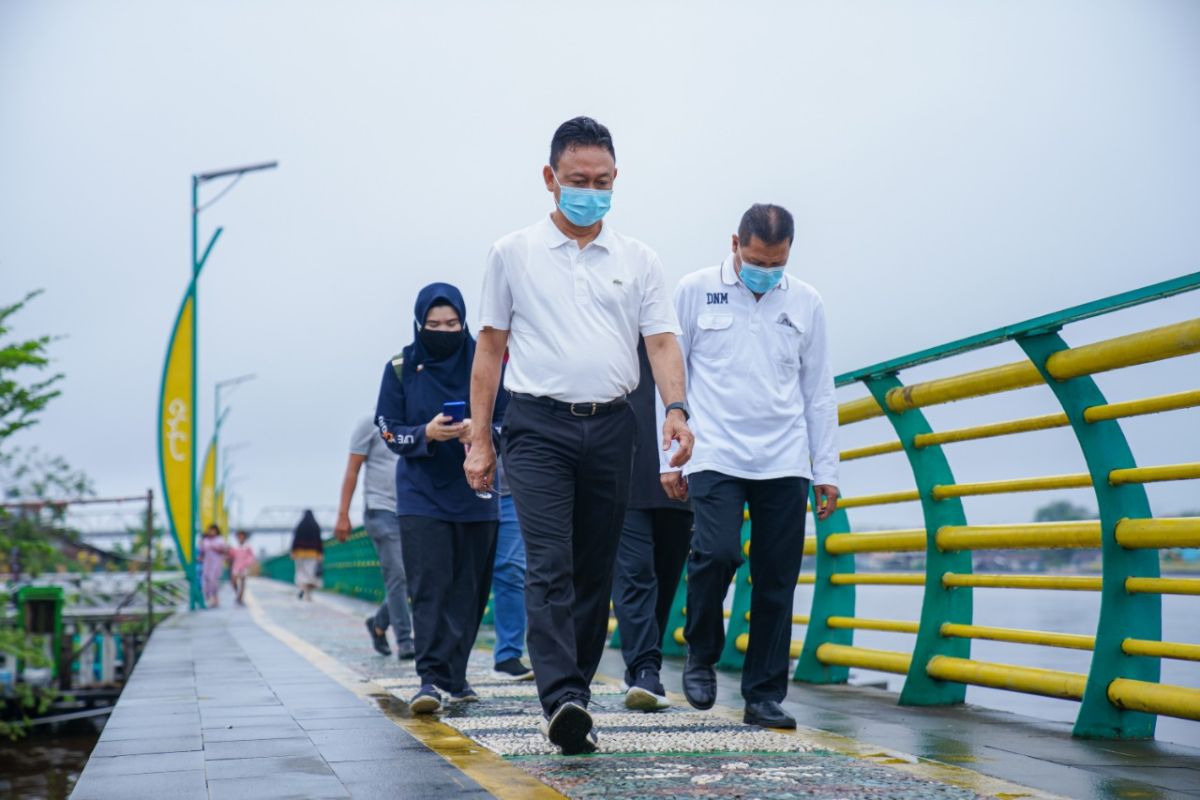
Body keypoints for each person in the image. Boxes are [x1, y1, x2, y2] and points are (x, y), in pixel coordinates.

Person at [465, 116, 693, 755]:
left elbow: (662, 341)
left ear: (616, 180)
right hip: (536, 425)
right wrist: (480, 440)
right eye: (577, 180)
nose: (589, 191)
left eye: (601, 181)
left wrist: (676, 408)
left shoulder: (639, 258)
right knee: (550, 561)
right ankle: (561, 695)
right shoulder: (512, 252)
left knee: (595, 569)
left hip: (614, 425)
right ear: (550, 180)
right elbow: (490, 348)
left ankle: (576, 696)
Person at [664, 203, 839, 730]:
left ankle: (763, 695)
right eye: (757, 259)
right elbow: (670, 378)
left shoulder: (807, 302)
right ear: (734, 243)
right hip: (713, 449)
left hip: (784, 457)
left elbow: (819, 392)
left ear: (790, 254)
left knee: (776, 579)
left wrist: (826, 470)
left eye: (777, 262)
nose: (766, 271)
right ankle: (701, 652)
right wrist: (665, 460)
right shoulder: (695, 289)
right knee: (715, 553)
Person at [376, 282, 505, 715]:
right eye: (434, 324)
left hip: (478, 492)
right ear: (419, 324)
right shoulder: (400, 366)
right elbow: (388, 427)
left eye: (452, 324)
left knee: (470, 591)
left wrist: (481, 431)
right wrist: (425, 433)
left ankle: (456, 673)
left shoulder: (484, 362)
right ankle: (430, 678)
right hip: (420, 495)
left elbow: (511, 418)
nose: (443, 330)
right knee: (429, 586)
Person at [612, 338, 694, 711]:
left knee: (663, 581)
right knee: (634, 577)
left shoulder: (681, 348)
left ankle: (644, 664)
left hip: (679, 482)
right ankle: (646, 671)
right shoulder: (611, 343)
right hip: (624, 480)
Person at [335, 416, 416, 661]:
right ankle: (404, 640)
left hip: (413, 510)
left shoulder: (415, 421)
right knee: (398, 575)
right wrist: (343, 515)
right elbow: (352, 470)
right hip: (380, 510)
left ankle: (378, 623)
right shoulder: (369, 424)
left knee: (416, 576)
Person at [490, 456, 534, 681]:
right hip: (461, 493)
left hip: (511, 491)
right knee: (457, 574)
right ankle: (444, 660)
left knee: (511, 570)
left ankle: (508, 655)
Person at [291, 510, 324, 601]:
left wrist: (293, 551)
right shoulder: (316, 526)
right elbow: (319, 541)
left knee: (301, 573)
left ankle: (303, 589)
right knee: (310, 574)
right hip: (313, 554)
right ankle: (308, 593)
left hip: (299, 553)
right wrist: (320, 553)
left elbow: (295, 539)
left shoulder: (300, 526)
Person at [198, 524, 228, 608]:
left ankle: (215, 599)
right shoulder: (205, 540)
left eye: (213, 530)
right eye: (210, 530)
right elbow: (202, 551)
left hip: (216, 563)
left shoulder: (220, 540)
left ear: (216, 531)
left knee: (213, 580)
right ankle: (208, 598)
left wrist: (214, 547)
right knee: (206, 579)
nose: (211, 532)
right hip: (207, 563)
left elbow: (223, 550)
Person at [228, 529, 257, 606]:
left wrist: (247, 563)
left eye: (242, 536)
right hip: (236, 566)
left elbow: (252, 556)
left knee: (243, 582)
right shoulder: (234, 546)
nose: (241, 537)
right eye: (239, 536)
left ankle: (240, 597)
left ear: (245, 537)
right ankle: (238, 594)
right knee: (233, 581)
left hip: (244, 567)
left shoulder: (247, 547)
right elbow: (231, 555)